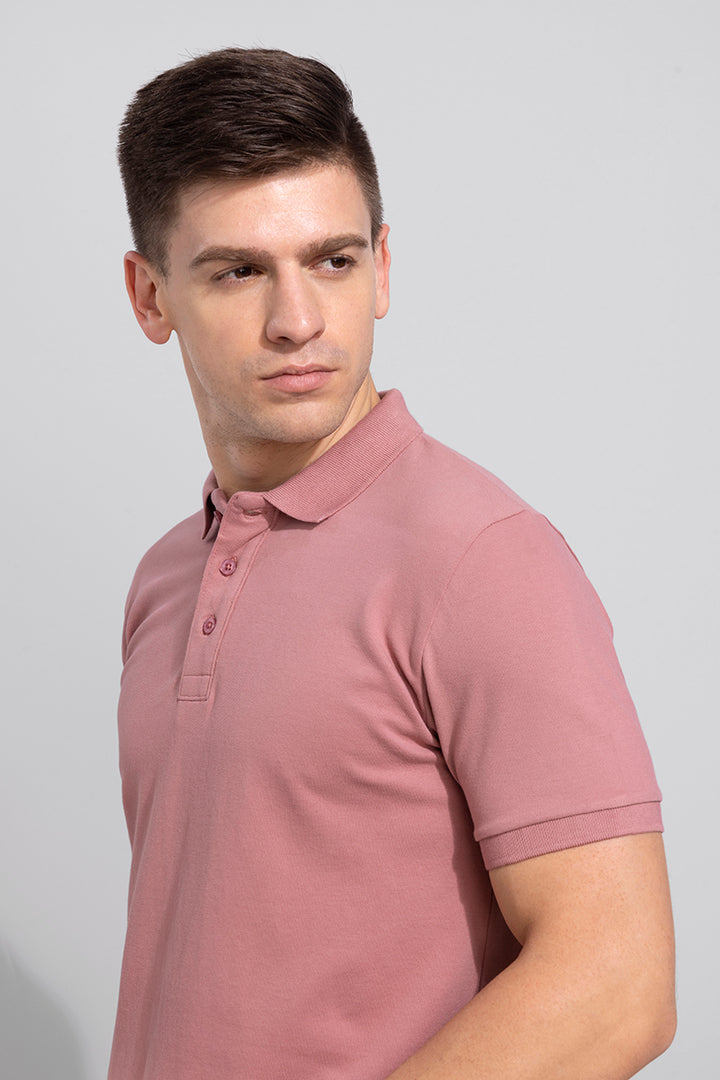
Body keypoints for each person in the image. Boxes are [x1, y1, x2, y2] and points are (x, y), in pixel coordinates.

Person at [110, 47, 676, 1080]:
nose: (298, 321)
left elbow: (619, 985)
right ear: (152, 298)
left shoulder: (482, 560)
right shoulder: (165, 578)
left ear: (383, 267)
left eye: (332, 261)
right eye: (239, 270)